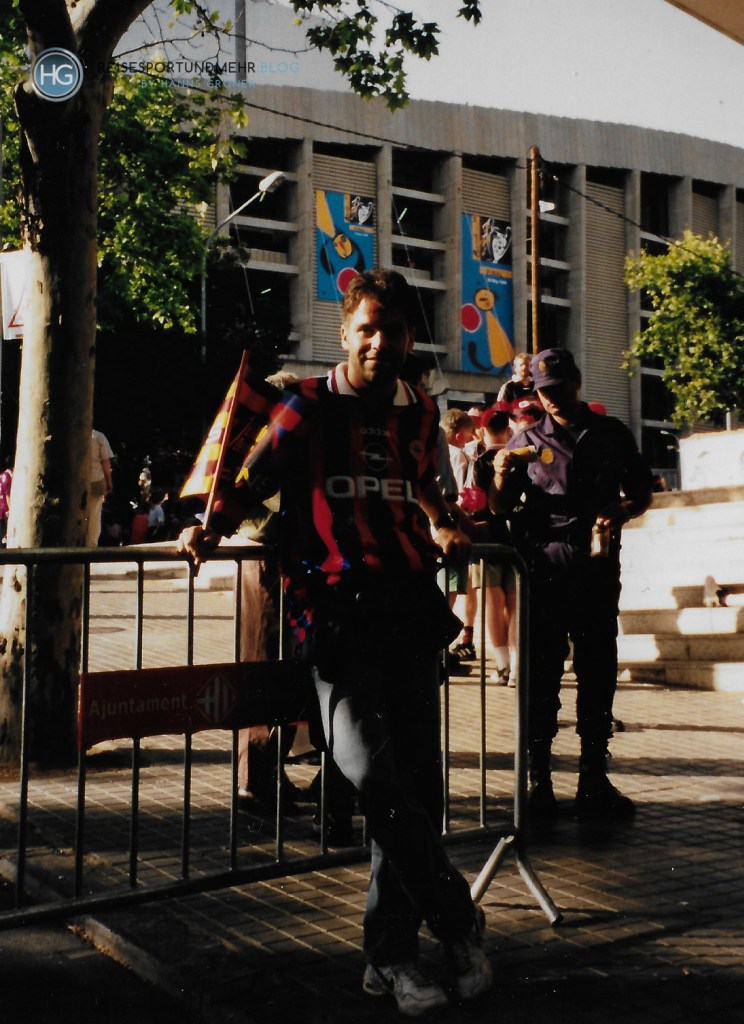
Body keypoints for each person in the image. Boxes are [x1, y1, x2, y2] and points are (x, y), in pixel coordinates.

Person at [178, 269, 491, 1016]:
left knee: (415, 785)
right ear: (345, 336)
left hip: (410, 604)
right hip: (334, 609)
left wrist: (444, 522)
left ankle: (389, 959)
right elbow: (250, 479)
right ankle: (457, 919)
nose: (381, 341)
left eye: (396, 329)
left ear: (413, 337)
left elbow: (422, 486)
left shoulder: (420, 411)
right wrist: (209, 527)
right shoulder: (308, 406)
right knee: (370, 776)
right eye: (368, 329)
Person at [488, 347, 653, 822]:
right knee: (541, 677)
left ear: (578, 383)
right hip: (542, 568)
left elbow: (640, 492)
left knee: (597, 673)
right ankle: (538, 780)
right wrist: (500, 475)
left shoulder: (611, 434)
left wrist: (621, 511)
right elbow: (500, 508)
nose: (552, 399)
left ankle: (592, 779)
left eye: (559, 390)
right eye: (543, 392)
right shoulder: (526, 439)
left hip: (597, 568)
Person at [87, 429, 114, 546]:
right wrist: (109, 481)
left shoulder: (71, 435)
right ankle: (91, 546)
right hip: (95, 480)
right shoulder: (98, 436)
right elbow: (105, 462)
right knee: (94, 514)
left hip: (76, 481)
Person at [0, 456, 13, 545]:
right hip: (4, 509)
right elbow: (7, 494)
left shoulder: (2, 475)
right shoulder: (8, 476)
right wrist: (10, 509)